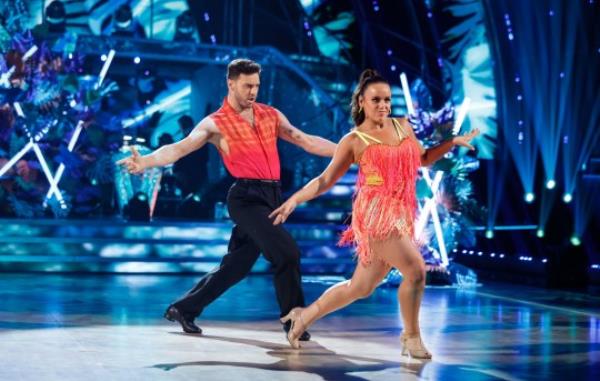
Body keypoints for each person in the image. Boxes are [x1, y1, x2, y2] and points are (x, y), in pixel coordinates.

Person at [118, 58, 336, 340]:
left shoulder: (270, 114)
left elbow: (305, 140)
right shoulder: (216, 123)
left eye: (256, 85)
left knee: (236, 267)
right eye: (247, 86)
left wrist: (348, 151)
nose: (253, 91)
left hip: (272, 196)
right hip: (246, 199)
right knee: (288, 253)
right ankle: (293, 319)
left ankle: (184, 309)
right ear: (230, 83)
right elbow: (179, 149)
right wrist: (146, 161)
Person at [269, 69, 479, 357]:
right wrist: (294, 199)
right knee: (416, 270)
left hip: (401, 214)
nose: (383, 105)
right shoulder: (354, 141)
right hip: (375, 217)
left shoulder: (403, 127)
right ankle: (411, 337)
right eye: (376, 100)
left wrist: (451, 144)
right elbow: (324, 180)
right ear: (362, 103)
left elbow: (425, 159)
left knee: (360, 287)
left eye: (387, 99)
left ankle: (302, 316)